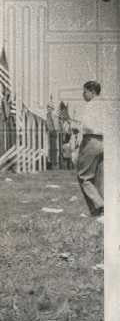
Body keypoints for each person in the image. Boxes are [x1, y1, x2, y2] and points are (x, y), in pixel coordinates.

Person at [71, 80, 104, 222]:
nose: (83, 94)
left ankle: (101, 207)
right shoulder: (104, 106)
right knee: (98, 177)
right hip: (104, 141)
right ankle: (99, 212)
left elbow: (88, 126)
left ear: (91, 91)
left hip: (91, 140)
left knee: (83, 176)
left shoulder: (90, 106)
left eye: (84, 91)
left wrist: (78, 127)